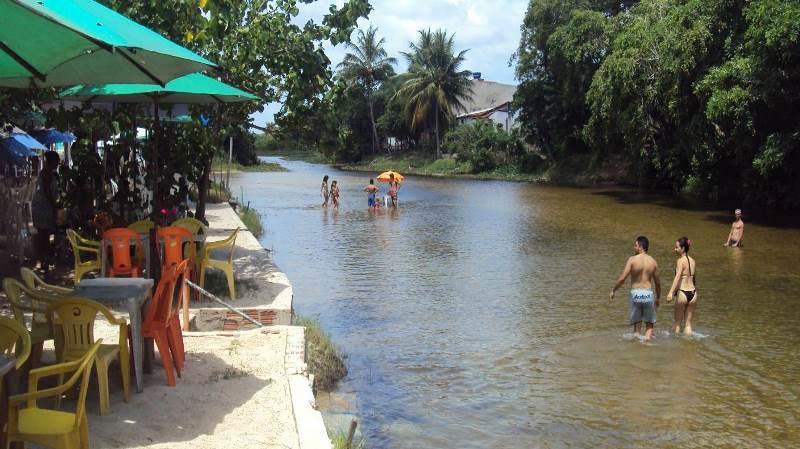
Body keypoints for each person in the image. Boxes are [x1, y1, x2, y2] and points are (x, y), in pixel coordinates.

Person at [610, 236, 661, 340]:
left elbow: (623, 278)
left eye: (635, 245)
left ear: (641, 247)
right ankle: (646, 346)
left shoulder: (632, 260)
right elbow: (658, 283)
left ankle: (637, 346)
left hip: (636, 294)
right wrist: (658, 298)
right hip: (648, 294)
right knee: (649, 324)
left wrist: (613, 290)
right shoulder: (653, 262)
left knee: (636, 328)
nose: (634, 247)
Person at [31, 150, 61, 275]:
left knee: (44, 235)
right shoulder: (47, 174)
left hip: (42, 207)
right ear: (51, 162)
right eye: (57, 161)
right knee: (44, 235)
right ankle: (44, 262)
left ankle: (44, 261)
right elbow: (48, 193)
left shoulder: (47, 173)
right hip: (43, 208)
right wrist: (55, 207)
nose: (58, 164)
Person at [666, 237, 698, 335]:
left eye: (677, 247)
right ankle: (688, 348)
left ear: (683, 248)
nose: (675, 249)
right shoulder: (693, 261)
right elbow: (694, 279)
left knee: (677, 324)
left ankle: (677, 349)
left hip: (683, 293)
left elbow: (677, 277)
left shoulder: (680, 261)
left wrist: (670, 292)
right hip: (693, 294)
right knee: (688, 325)